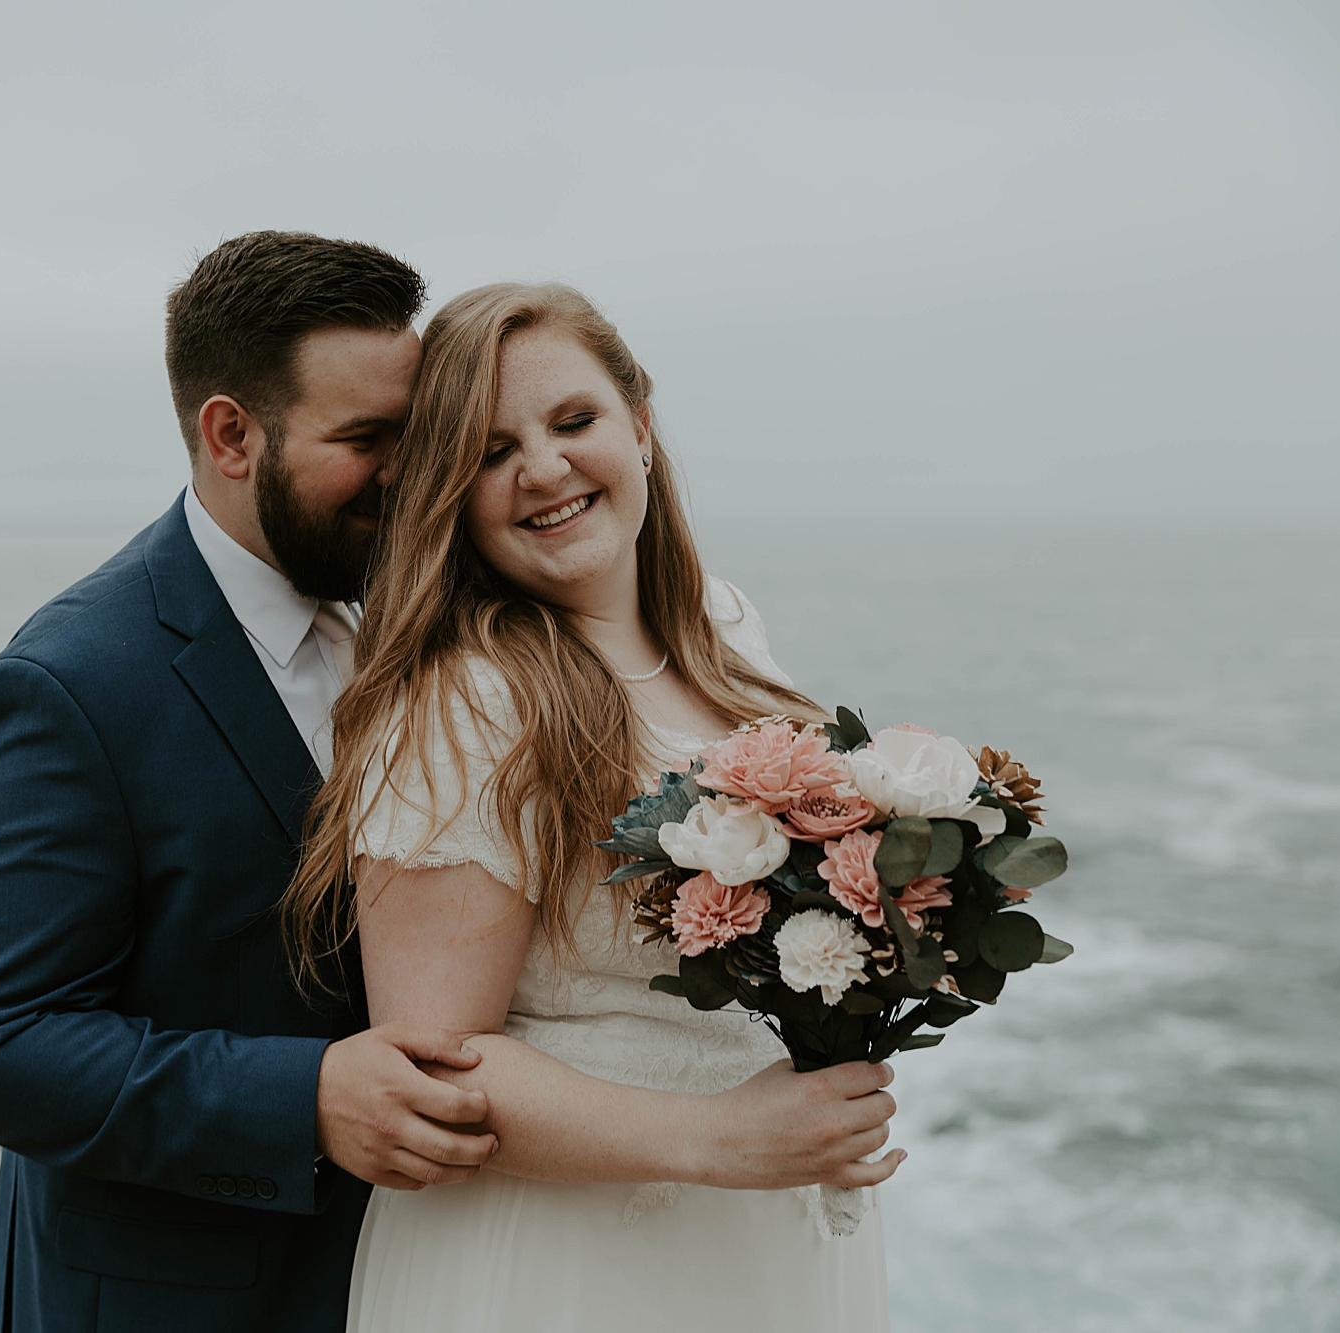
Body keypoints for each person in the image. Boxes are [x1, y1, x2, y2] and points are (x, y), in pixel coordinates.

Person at [285, 283, 902, 1331]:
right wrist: (718, 1140)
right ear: (449, 491)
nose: (543, 468)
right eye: (488, 451)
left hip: (767, 1247)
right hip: (563, 1268)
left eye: (573, 421)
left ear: (642, 428)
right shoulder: (468, 702)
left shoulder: (724, 632)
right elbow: (429, 1066)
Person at [0, 232, 502, 1333]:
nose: (410, 473)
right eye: (366, 438)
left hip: (417, 1279)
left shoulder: (428, 613)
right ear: (230, 434)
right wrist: (308, 1098)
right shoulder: (70, 684)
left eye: (419, 435)